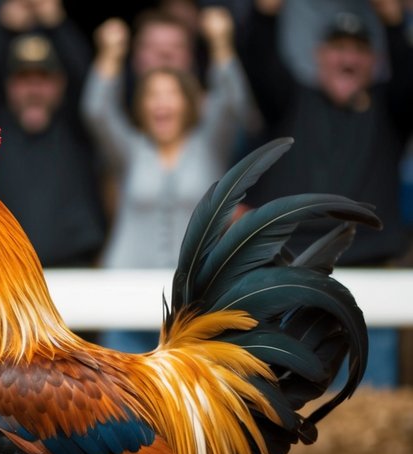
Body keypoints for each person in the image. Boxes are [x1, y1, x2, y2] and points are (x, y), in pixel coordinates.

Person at [240, 0, 412, 387]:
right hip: (292, 267)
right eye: (338, 48)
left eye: (358, 49)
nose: (348, 57)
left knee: (371, 400)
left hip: (371, 270)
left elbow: (408, 71)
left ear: (374, 60)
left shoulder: (390, 107)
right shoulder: (289, 99)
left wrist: (394, 20)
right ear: (319, 56)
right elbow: (256, 57)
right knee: (285, 391)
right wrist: (265, 15)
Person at [83, 8, 253, 354]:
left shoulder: (209, 144)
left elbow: (234, 102)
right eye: (152, 95)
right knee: (124, 403)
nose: (162, 103)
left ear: (187, 102)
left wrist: (221, 44)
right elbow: (97, 110)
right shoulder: (130, 150)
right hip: (125, 293)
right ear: (142, 105)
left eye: (170, 94)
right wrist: (110, 55)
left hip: (194, 301)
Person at [0, 0, 104, 269]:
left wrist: (58, 26)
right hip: (5, 271)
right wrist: (1, 28)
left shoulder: (78, 124)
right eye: (23, 79)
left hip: (75, 268)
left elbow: (89, 83)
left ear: (61, 84)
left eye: (44, 78)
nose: (33, 88)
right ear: (7, 85)